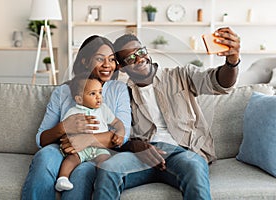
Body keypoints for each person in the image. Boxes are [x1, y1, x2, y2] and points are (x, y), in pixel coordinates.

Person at [93, 27, 240, 199]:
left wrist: (232, 61)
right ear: (123, 68)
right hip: (144, 156)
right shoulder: (122, 93)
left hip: (183, 153)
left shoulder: (181, 75)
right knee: (108, 169)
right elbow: (117, 135)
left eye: (141, 51)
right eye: (131, 58)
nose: (139, 59)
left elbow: (219, 82)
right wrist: (134, 146)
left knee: (193, 166)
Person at [21, 35, 131, 200]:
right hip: (63, 148)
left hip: (99, 151)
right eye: (100, 59)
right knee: (44, 157)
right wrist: (63, 127)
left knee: (82, 172)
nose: (107, 65)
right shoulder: (63, 92)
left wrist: (87, 140)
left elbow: (122, 135)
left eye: (112, 59)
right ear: (85, 61)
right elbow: (41, 139)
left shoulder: (118, 89)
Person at [55, 74, 125, 192]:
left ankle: (102, 181)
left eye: (100, 92)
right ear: (79, 99)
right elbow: (66, 130)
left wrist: (120, 131)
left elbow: (117, 122)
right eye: (93, 94)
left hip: (99, 147)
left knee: (106, 160)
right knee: (71, 160)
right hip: (80, 148)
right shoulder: (73, 111)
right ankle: (62, 179)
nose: (98, 97)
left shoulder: (103, 109)